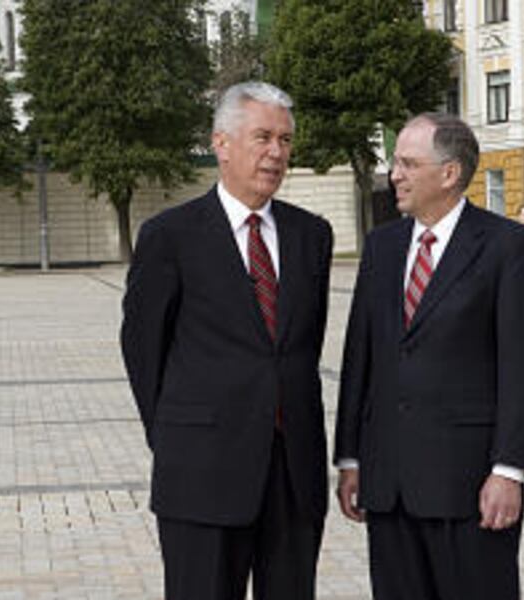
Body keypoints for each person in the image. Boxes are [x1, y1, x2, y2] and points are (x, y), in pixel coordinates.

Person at [121, 81, 333, 600]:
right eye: (263, 137)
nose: (276, 153)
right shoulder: (169, 236)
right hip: (201, 471)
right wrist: (178, 435)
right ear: (221, 143)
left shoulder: (312, 235)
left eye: (285, 140)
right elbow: (143, 350)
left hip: (293, 474)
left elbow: (304, 348)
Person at [334, 113, 524, 600]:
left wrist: (508, 470)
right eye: (395, 163)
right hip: (388, 487)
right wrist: (350, 457)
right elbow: (359, 358)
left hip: (469, 487)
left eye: (409, 164)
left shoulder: (508, 248)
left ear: (450, 173)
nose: (395, 175)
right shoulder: (382, 247)